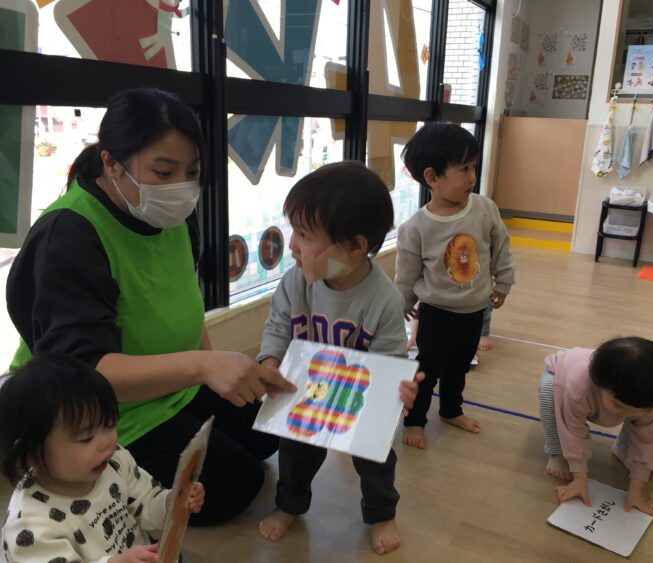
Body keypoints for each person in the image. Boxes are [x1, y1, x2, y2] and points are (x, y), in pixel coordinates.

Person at [6, 88, 296, 526]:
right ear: (110, 163)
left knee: (267, 433)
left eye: (193, 171)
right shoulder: (69, 235)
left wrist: (215, 373)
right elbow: (84, 373)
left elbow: (183, 296)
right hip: (96, 413)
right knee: (234, 484)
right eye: (163, 171)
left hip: (169, 386)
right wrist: (203, 367)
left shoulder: (170, 214)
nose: (181, 186)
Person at [255, 161, 421, 555]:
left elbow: (390, 359)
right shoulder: (296, 282)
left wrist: (398, 388)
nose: (292, 246)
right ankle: (290, 504)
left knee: (375, 458)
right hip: (307, 389)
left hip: (359, 394)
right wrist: (269, 361)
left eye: (305, 235)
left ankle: (381, 513)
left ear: (354, 247)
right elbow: (278, 326)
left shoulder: (383, 300)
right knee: (294, 453)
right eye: (294, 231)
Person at [0, 355, 205, 562]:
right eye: (86, 437)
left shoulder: (113, 462)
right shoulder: (30, 529)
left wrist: (171, 502)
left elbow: (145, 500)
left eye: (109, 424)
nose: (107, 442)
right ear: (32, 453)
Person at [395, 122, 515, 449]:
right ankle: (414, 420)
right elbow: (406, 273)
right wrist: (402, 304)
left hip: (474, 310)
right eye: (463, 169)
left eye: (473, 167)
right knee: (427, 369)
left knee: (459, 367)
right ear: (432, 177)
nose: (472, 176)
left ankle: (451, 410)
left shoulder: (484, 208)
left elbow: (501, 247)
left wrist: (504, 281)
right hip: (436, 312)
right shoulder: (416, 227)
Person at [538, 337, 653, 518]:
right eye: (619, 406)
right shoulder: (579, 387)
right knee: (550, 395)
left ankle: (622, 447)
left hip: (608, 388)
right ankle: (555, 452)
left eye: (640, 409)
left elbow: (647, 440)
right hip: (559, 378)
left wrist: (637, 491)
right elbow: (573, 431)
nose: (629, 413)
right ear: (599, 384)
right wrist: (579, 479)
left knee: (638, 420)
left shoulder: (649, 400)